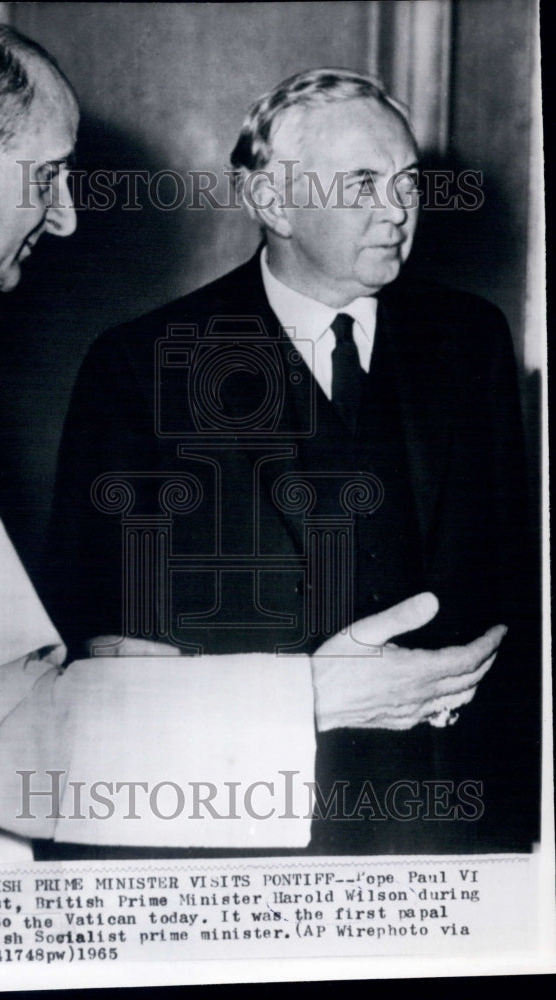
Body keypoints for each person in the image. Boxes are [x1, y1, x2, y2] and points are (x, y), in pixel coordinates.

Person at [50, 68, 539, 855]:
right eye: (363, 183)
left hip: (444, 820)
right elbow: (94, 641)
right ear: (271, 202)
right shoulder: (141, 366)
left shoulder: (469, 338)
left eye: (407, 182)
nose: (397, 210)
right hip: (250, 826)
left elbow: (513, 583)